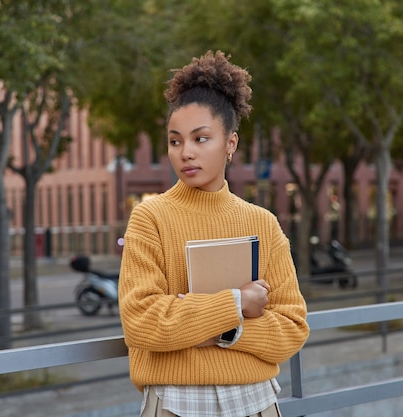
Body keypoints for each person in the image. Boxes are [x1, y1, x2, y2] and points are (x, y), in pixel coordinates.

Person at [118, 50, 309, 417]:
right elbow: (142, 322)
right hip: (176, 403)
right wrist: (237, 304)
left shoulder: (263, 223)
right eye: (175, 141)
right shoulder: (150, 218)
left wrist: (225, 332)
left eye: (200, 139)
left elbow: (293, 327)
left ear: (231, 144)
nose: (185, 153)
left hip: (257, 402)